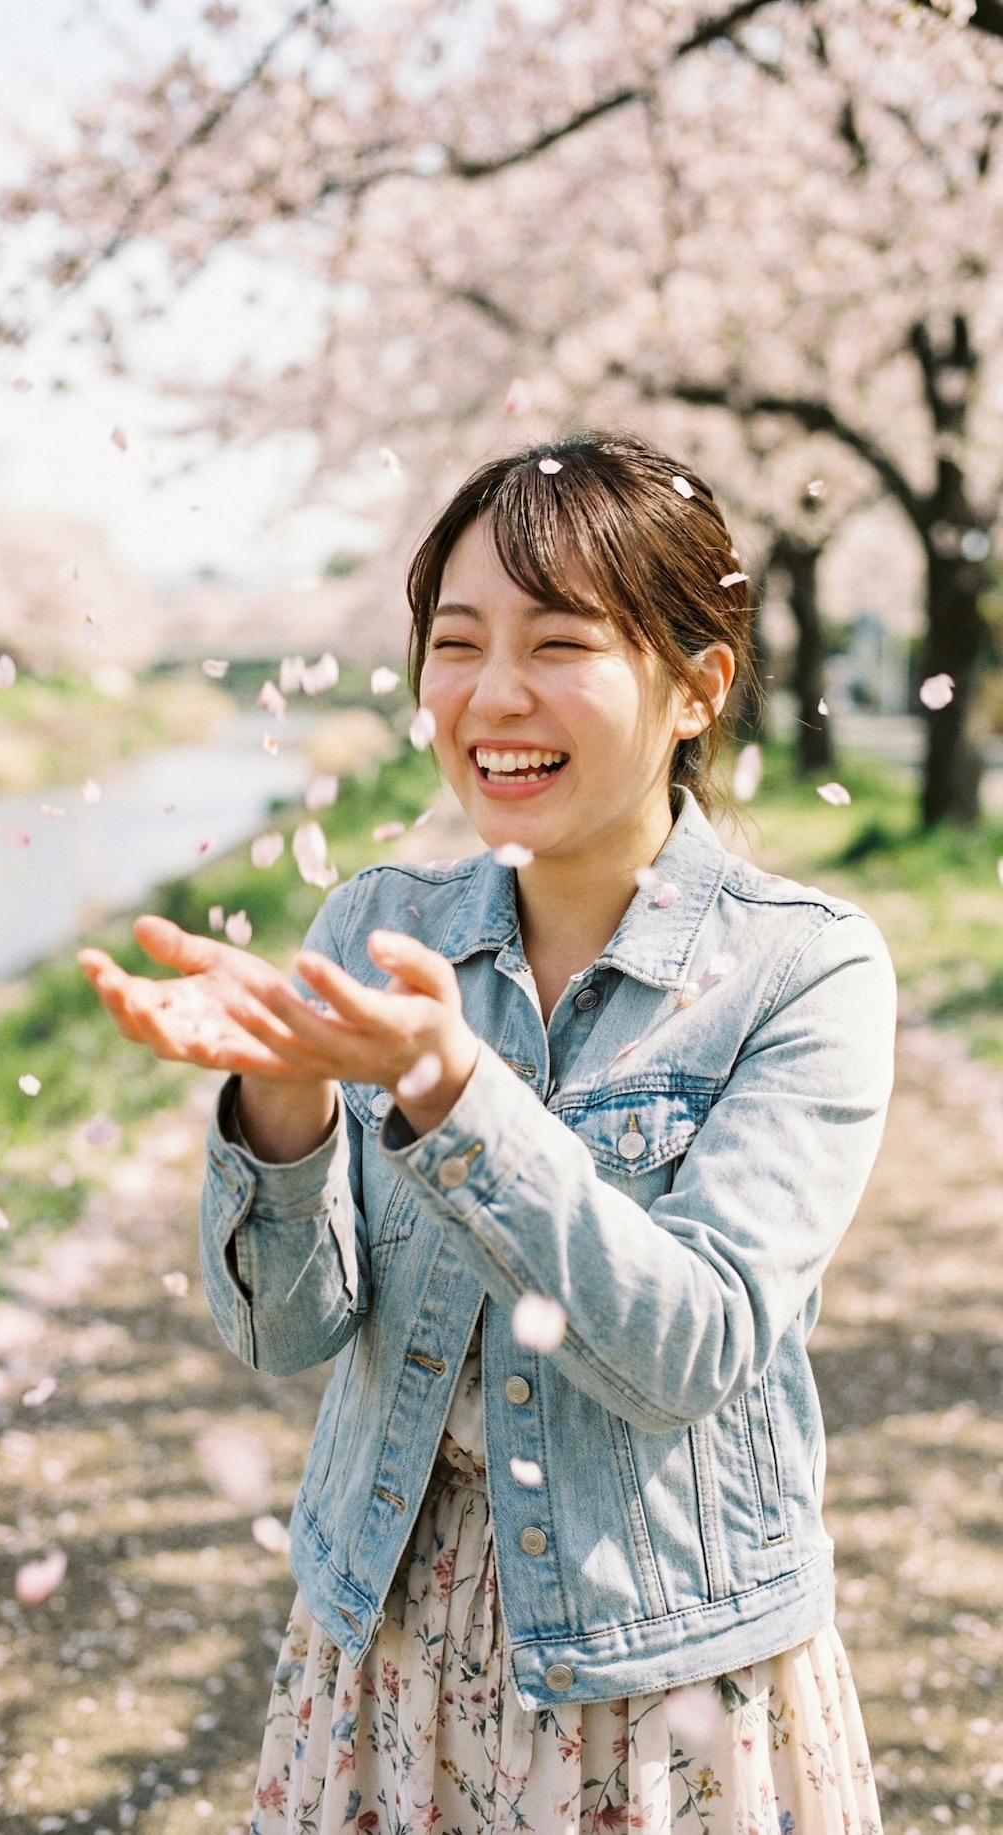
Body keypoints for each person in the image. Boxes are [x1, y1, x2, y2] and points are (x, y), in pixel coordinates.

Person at [80, 433, 895, 1835]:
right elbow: (282, 1335)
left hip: (665, 1675)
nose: (493, 696)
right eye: (456, 644)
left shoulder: (804, 973)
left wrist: (461, 1097)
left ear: (698, 685)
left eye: (561, 641)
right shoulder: (378, 931)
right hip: (381, 1636)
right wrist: (279, 1097)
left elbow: (694, 1346)